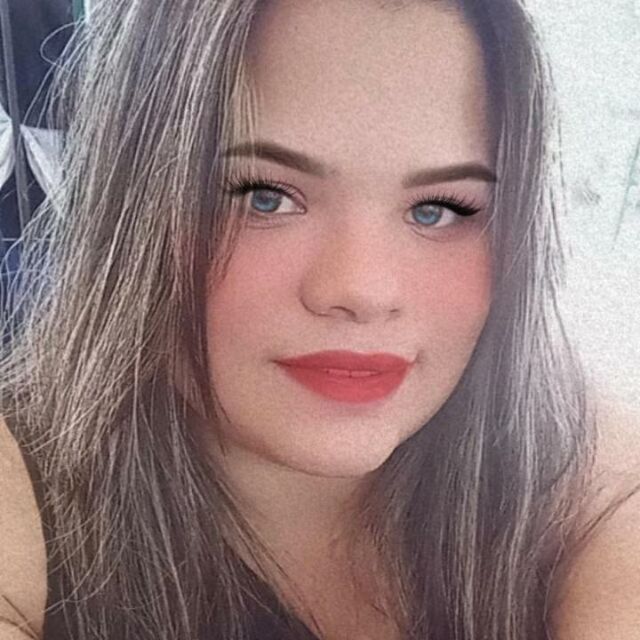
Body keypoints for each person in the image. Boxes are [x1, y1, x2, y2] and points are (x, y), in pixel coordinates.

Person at [1, 0, 639, 638]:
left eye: (437, 209)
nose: (364, 291)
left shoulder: (570, 476)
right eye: (266, 197)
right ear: (131, 208)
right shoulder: (23, 489)